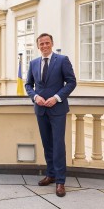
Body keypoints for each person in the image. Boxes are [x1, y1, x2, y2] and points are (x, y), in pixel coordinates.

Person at [25, 33, 76, 197]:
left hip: (57, 109)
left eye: (47, 43)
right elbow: (28, 84)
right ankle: (51, 174)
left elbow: (72, 82)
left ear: (52, 44)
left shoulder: (62, 60)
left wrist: (56, 98)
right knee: (47, 143)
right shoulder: (33, 63)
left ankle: (61, 181)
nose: (44, 46)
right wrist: (35, 97)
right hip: (41, 110)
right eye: (41, 44)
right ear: (38, 46)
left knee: (58, 144)